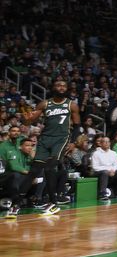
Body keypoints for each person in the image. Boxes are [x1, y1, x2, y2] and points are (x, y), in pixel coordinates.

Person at [10, 79, 80, 217]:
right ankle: (16, 204)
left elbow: (77, 126)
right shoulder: (45, 103)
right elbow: (29, 121)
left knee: (49, 168)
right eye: (58, 85)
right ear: (53, 87)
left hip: (60, 139)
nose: (61, 87)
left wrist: (74, 143)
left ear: (67, 89)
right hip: (44, 139)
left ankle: (53, 203)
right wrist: (26, 119)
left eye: (64, 85)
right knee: (33, 171)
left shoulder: (72, 105)